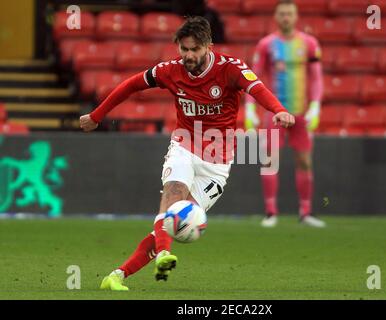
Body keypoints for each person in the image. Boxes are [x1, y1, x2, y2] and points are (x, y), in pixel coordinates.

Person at [79, 16, 295, 291]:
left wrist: (279, 110)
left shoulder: (231, 69)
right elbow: (132, 85)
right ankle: (165, 254)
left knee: (177, 223)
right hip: (185, 144)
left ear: (208, 46)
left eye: (194, 49)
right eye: (184, 49)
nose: (189, 55)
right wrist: (97, 116)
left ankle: (117, 276)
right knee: (172, 197)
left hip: (217, 162)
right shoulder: (170, 71)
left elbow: (258, 89)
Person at [245, 0, 326, 228]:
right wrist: (250, 107)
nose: (286, 18)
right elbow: (254, 77)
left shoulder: (309, 44)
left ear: (296, 16)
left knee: (304, 161)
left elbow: (317, 77)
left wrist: (316, 105)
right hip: (275, 113)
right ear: (276, 16)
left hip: (300, 113)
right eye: (282, 14)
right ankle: (271, 213)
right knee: (270, 161)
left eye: (290, 13)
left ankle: (305, 212)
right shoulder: (266, 45)